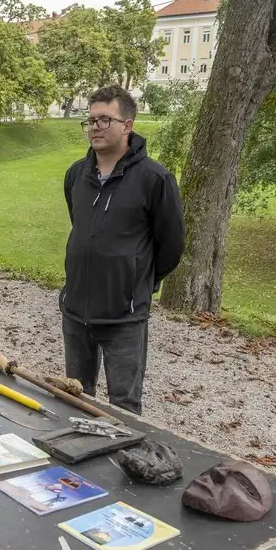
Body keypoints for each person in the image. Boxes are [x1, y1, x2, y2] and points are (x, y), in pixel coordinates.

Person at [60, 85, 185, 415]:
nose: (94, 129)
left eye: (104, 120)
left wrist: (138, 282)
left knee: (124, 408)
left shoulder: (155, 179)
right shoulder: (77, 174)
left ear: (128, 124)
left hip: (123, 315)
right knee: (75, 398)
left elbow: (171, 245)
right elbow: (82, 227)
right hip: (75, 310)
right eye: (90, 121)